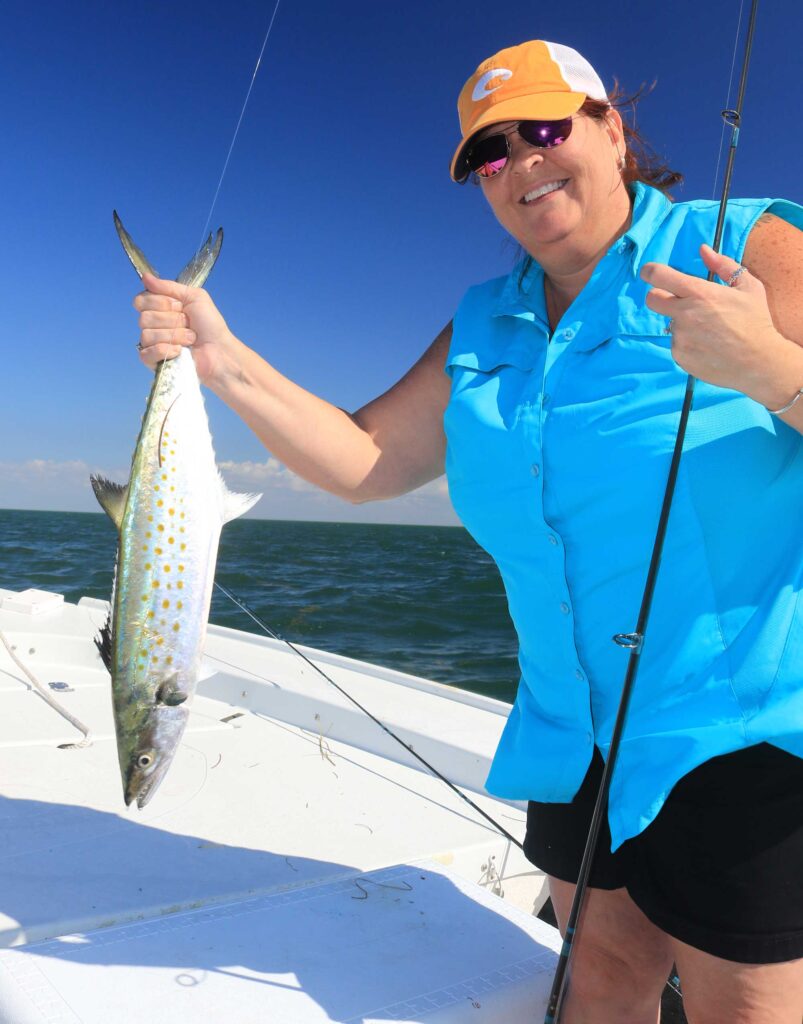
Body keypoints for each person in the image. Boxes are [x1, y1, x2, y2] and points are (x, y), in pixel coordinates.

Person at [133, 39, 803, 1024]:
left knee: (742, 1008)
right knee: (601, 970)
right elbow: (364, 459)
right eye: (488, 154)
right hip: (570, 729)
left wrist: (772, 370)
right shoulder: (481, 324)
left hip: (740, 730)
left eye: (543, 128)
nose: (520, 163)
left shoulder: (747, 246)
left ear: (610, 130)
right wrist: (218, 353)